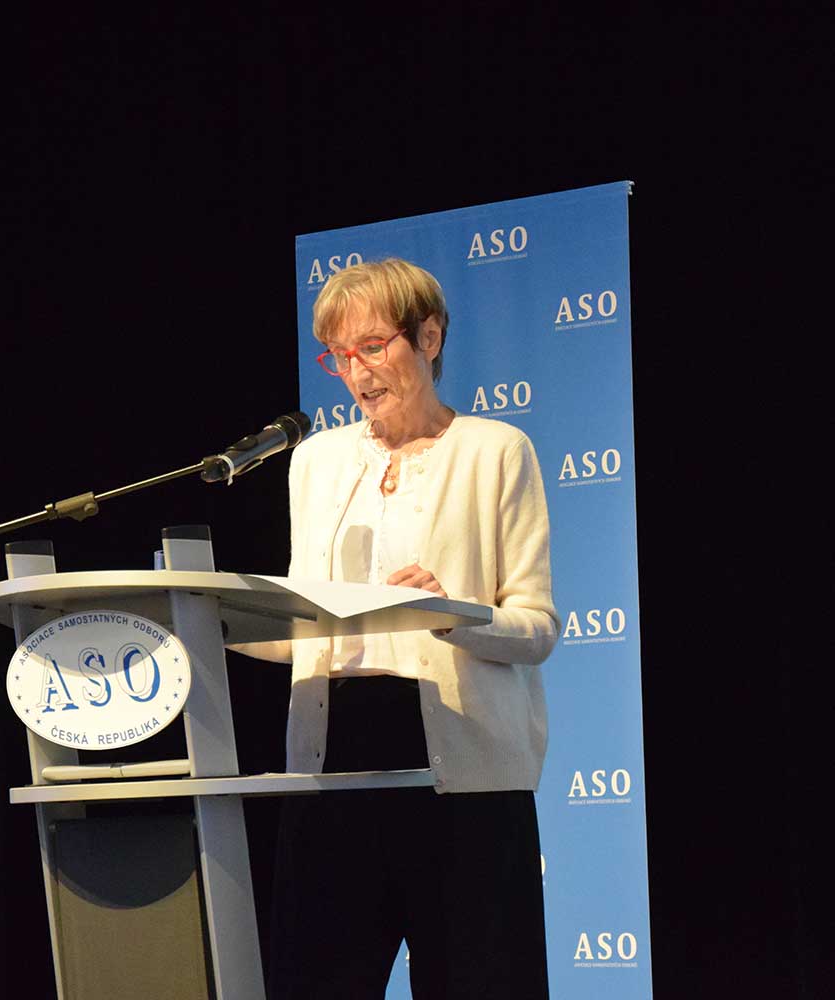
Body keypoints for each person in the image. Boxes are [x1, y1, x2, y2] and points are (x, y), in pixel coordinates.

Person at [255, 257, 558, 999]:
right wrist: (213, 621)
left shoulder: (495, 452)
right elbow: (303, 623)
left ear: (429, 336)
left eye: (372, 347)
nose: (356, 372)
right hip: (331, 760)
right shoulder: (315, 461)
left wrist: (449, 616)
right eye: (338, 355)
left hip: (463, 769)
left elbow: (537, 627)